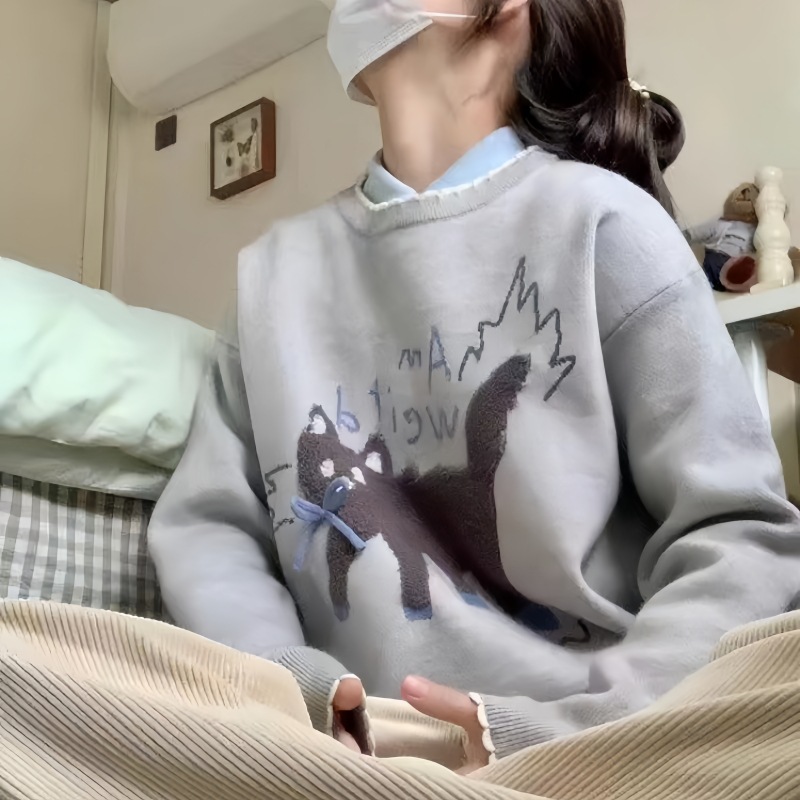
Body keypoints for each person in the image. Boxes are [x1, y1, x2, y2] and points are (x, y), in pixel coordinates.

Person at [148, 0, 800, 768]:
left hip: (593, 742)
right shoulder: (269, 277)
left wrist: (586, 721)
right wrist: (294, 695)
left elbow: (738, 534)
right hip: (344, 752)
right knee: (40, 659)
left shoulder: (606, 224)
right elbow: (211, 532)